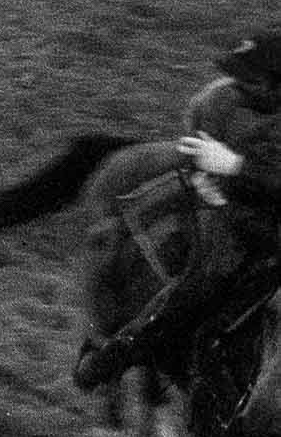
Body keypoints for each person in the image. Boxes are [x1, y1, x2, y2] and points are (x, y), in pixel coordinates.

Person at [73, 31, 281, 390]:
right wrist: (213, 172)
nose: (240, 89)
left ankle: (107, 361)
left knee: (201, 282)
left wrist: (232, 167)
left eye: (252, 82)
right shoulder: (240, 105)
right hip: (253, 210)